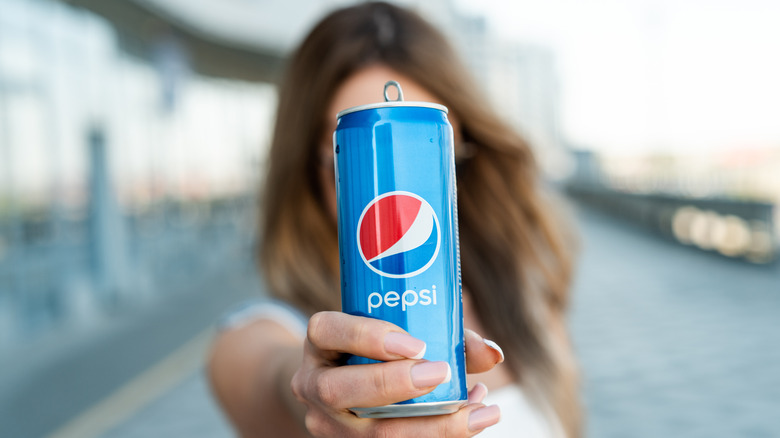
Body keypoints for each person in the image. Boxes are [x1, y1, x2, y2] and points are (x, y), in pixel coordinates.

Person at [208, 2, 581, 437]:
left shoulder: (523, 292)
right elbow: (268, 374)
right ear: (308, 173)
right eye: (358, 166)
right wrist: (325, 386)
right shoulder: (269, 329)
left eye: (425, 159)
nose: (397, 194)